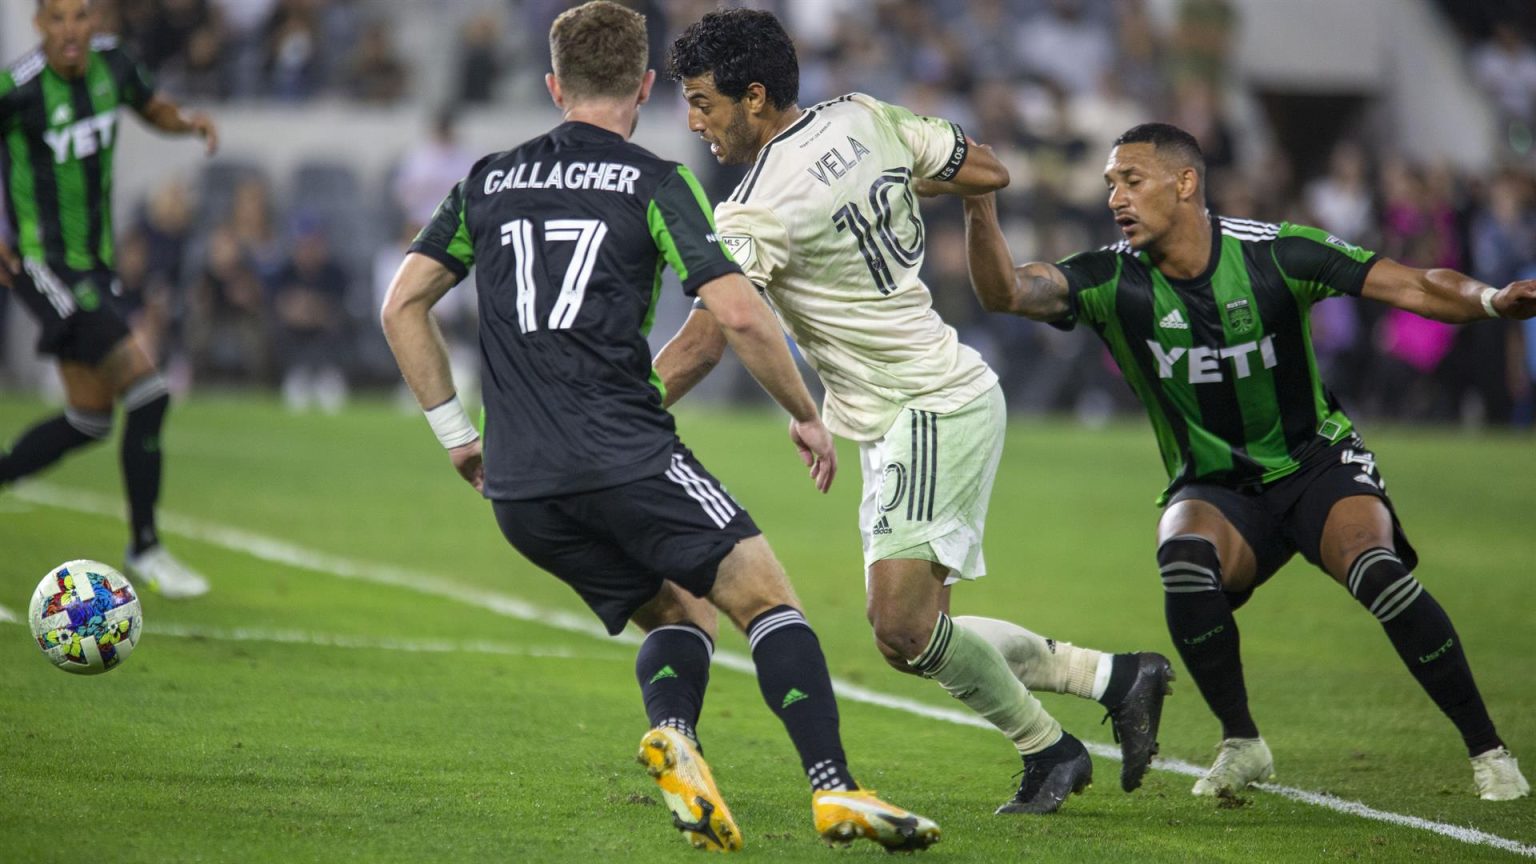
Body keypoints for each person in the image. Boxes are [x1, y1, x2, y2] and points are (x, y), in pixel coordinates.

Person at [379, 2, 938, 852]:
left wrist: (458, 434)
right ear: (644, 85)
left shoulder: (486, 180)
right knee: (771, 604)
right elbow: (743, 319)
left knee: (683, 613)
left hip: (522, 489)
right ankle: (835, 791)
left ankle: (675, 734)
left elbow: (404, 304)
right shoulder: (654, 182)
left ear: (553, 85)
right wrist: (806, 413)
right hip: (626, 455)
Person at [659, 8, 1172, 814]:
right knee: (919, 634)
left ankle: (1053, 751)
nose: (695, 121)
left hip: (929, 404)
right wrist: (953, 201)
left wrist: (619, 412)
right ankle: (1113, 677)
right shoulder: (865, 117)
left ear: (754, 97)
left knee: (900, 627)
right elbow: (990, 170)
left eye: (701, 101)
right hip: (908, 410)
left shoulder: (752, 209)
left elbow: (710, 334)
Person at [954, 122, 1534, 801]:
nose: (1116, 197)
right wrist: (977, 202)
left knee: (1378, 573)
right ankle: (1242, 742)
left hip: (1314, 463)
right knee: (1183, 560)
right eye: (1111, 184)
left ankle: (1489, 752)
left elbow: (1412, 285)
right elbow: (1006, 293)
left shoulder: (1277, 252)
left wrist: (1493, 301)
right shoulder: (1111, 278)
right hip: (1216, 487)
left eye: (1132, 181)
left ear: (1185, 182)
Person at [0, 0, 218, 598]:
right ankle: (145, 547)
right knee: (148, 392)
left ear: (96, 22)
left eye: (82, 17)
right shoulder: (15, 90)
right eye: (58, 19)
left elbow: (152, 107)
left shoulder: (115, 66)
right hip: (43, 266)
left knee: (89, 419)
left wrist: (187, 122)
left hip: (95, 266)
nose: (71, 30)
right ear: (39, 25)